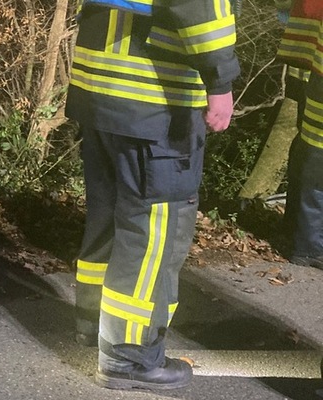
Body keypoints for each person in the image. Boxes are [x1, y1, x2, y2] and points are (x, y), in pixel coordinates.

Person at [65, 0, 240, 391]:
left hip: (100, 87)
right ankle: (129, 356)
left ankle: (96, 329)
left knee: (108, 221)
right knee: (151, 233)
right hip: (154, 97)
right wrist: (221, 80)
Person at [275, 0, 323, 269]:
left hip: (310, 63)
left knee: (310, 149)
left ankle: (297, 233)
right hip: (315, 68)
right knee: (316, 157)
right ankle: (308, 245)